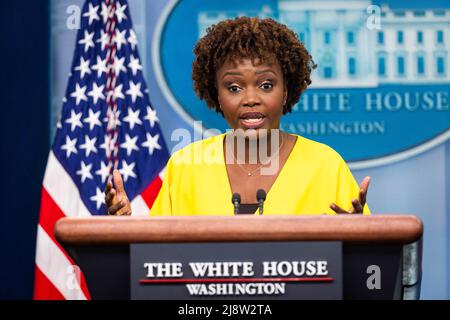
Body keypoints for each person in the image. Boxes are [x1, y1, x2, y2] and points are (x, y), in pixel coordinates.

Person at [105, 16, 371, 216]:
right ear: (216, 94)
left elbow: (367, 272)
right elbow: (156, 264)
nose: (250, 98)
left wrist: (359, 241)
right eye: (234, 87)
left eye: (266, 85)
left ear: (286, 90)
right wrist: (124, 232)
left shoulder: (325, 166)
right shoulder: (185, 167)